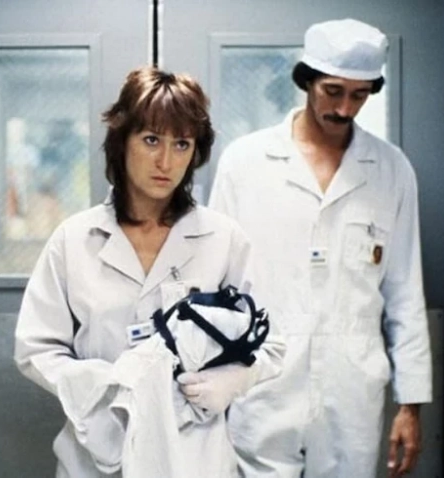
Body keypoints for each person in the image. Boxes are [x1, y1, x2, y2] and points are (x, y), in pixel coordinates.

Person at [15, 66, 284, 478]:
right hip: (97, 456)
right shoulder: (75, 239)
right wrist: (104, 386)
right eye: (151, 139)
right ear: (121, 140)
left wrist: (235, 379)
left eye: (182, 144)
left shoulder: (222, 239)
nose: (165, 161)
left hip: (194, 459)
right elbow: (36, 349)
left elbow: (272, 343)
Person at [209, 19, 432, 478]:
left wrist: (410, 405)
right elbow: (215, 282)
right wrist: (210, 384)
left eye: (359, 95)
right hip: (264, 383)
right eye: (333, 91)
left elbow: (405, 293)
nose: (345, 108)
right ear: (307, 80)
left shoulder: (391, 170)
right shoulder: (246, 163)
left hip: (352, 388)